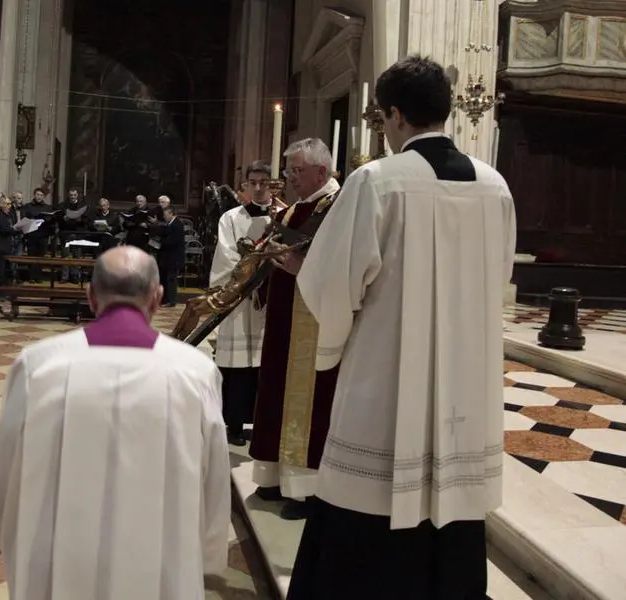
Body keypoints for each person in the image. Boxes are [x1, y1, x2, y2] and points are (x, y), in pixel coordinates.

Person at [284, 56, 517, 599]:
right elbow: (497, 276)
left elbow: (332, 284)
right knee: (451, 511)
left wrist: (332, 349)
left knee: (370, 510)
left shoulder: (377, 181)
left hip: (384, 381)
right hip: (466, 382)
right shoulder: (495, 185)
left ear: (393, 115)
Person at [0, 246, 231, 600]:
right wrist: (210, 548)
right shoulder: (195, 371)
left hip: (58, 554)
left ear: (91, 296)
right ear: (157, 297)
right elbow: (214, 472)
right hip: (161, 553)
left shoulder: (39, 364)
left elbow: (6, 459)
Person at [248, 138, 342, 520]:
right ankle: (273, 474)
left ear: (321, 171)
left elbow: (343, 263)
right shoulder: (294, 211)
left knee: (309, 399)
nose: (288, 180)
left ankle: (305, 489)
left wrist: (302, 266)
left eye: (296, 172)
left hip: (315, 319)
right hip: (285, 315)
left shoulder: (339, 206)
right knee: (275, 388)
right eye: (287, 172)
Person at [209, 160, 272, 445]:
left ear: (273, 184)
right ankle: (234, 424)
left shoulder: (283, 216)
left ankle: (263, 424)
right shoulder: (231, 218)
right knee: (237, 365)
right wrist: (250, 277)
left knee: (266, 365)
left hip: (270, 300)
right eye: (253, 183)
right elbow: (226, 257)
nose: (258, 188)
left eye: (264, 182)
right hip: (241, 299)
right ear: (244, 186)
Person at [155, 205, 184, 307]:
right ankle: (165, 299)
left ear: (171, 214)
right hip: (167, 257)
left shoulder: (177, 225)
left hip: (173, 258)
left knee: (171, 280)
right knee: (165, 278)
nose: (164, 217)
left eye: (165, 215)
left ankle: (171, 300)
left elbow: (174, 241)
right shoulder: (170, 224)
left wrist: (160, 242)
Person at [0, 196, 18, 293]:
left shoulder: (9, 215)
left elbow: (12, 226)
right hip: (1, 247)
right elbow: (4, 229)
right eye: (7, 204)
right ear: (2, 205)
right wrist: (15, 229)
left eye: (10, 204)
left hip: (9, 247)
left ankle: (3, 291)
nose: (10, 206)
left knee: (6, 271)